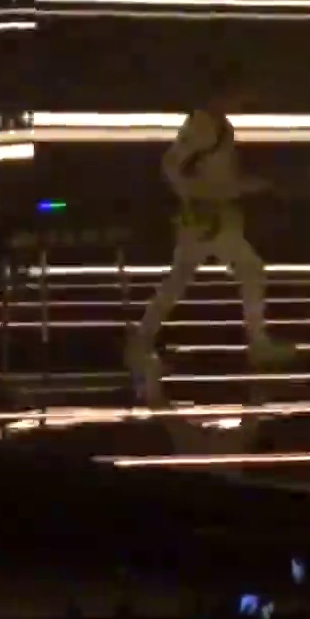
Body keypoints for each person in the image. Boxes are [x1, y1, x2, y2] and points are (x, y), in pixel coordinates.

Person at [125, 64, 294, 386]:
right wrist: (194, 199)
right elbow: (171, 165)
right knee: (247, 271)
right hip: (208, 217)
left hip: (210, 215)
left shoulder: (215, 124)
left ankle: (141, 342)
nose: (245, 100)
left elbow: (209, 174)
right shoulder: (205, 125)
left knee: (184, 278)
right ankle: (257, 344)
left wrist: (243, 188)